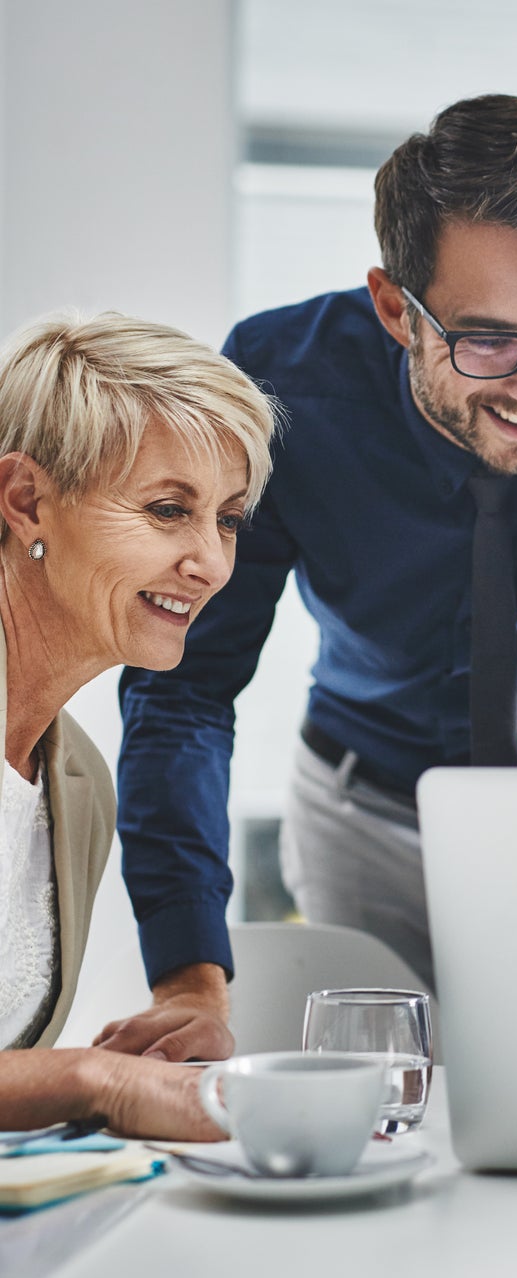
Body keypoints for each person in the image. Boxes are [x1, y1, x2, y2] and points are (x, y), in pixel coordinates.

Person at [105, 93, 517, 1058]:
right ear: (394, 309)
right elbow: (186, 687)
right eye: (488, 340)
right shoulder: (280, 383)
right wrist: (189, 973)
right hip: (365, 808)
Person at [0, 311, 275, 1134]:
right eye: (166, 510)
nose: (213, 563)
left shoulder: (79, 782)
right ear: (25, 502)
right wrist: (93, 1080)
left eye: (226, 519)